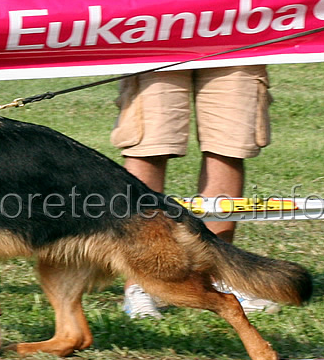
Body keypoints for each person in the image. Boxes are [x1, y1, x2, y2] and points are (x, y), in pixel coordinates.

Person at [111, 65, 280, 318]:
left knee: (229, 146)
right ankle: (141, 285)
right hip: (157, 35)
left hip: (237, 38)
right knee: (149, 147)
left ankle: (219, 277)